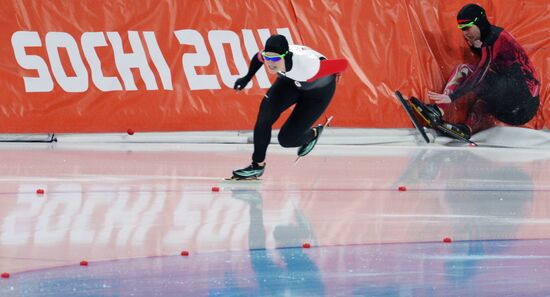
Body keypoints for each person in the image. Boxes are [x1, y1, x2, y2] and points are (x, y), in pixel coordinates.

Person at [415, 3, 540, 140]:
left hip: (523, 100)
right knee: (483, 101)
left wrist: (451, 97)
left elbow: (481, 73)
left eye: (467, 28)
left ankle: (437, 110)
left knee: (464, 70)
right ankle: (466, 129)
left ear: (479, 23)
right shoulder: (487, 38)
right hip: (516, 113)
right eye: (462, 29)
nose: (465, 33)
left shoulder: (496, 37)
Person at [231, 34, 348, 179]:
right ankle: (257, 166)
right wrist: (246, 78)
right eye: (268, 57)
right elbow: (258, 57)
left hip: (317, 92)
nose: (270, 63)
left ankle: (313, 134)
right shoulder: (269, 56)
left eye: (275, 59)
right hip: (290, 83)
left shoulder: (308, 66)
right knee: (263, 119)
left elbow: (342, 64)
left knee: (287, 140)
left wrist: (336, 72)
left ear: (285, 55)